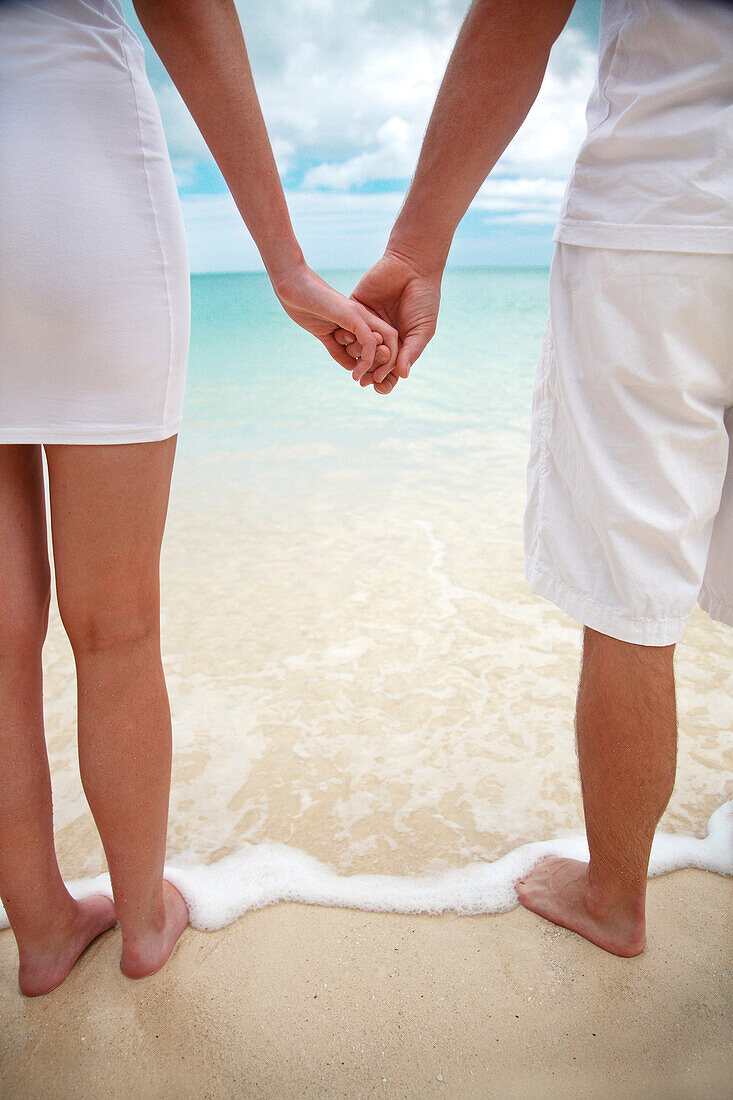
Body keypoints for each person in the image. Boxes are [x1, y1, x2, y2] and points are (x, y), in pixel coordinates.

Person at [0, 0, 398, 997]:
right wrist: (288, 263)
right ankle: (142, 920)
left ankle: (42, 931)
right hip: (75, 178)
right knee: (117, 621)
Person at [337, 0, 732, 955]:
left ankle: (614, 898)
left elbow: (517, 16)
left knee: (629, 589)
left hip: (663, 219)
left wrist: (415, 243)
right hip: (662, 229)